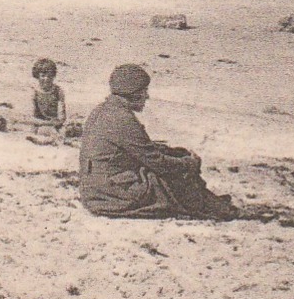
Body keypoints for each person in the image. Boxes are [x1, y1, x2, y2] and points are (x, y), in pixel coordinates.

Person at [78, 64, 238, 220]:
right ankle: (217, 209)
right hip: (110, 195)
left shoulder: (102, 110)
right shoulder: (123, 119)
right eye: (144, 91)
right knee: (173, 177)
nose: (147, 96)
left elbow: (136, 148)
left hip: (94, 191)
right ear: (133, 93)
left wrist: (172, 152)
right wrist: (190, 163)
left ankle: (208, 203)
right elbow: (157, 162)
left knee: (175, 160)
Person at [31, 57, 67, 129]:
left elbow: (62, 116)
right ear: (37, 76)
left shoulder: (58, 91)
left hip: (55, 125)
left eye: (49, 76)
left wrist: (56, 122)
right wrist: (45, 123)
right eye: (43, 76)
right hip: (39, 125)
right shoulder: (35, 92)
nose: (46, 79)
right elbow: (32, 116)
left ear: (53, 76)